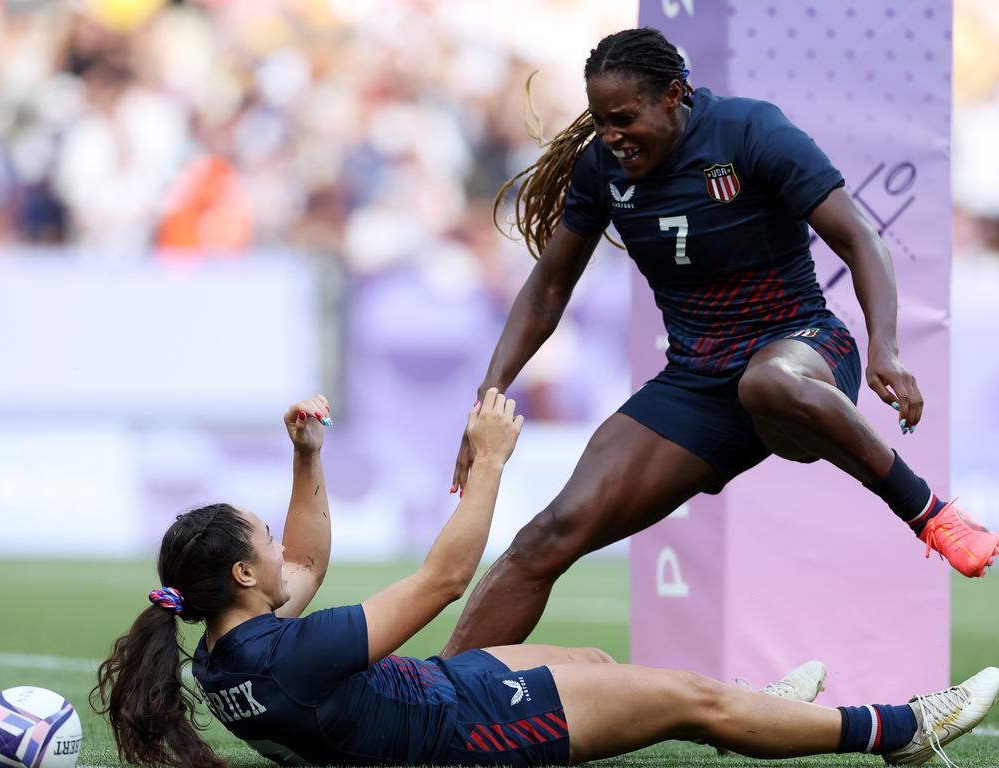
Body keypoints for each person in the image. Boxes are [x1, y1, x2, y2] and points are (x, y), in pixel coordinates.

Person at [441, 27, 999, 658]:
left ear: (674, 95)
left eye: (624, 119)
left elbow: (859, 239)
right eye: (600, 121)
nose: (611, 137)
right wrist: (490, 392)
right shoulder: (603, 167)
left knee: (766, 382)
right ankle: (432, 704)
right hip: (696, 382)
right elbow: (546, 291)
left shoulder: (750, 131)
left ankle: (930, 512)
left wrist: (885, 347)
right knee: (549, 534)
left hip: (802, 349)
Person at [92, 390, 997, 768]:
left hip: (437, 695)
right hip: (467, 732)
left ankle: (771, 709)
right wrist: (489, 461)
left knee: (603, 662)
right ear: (247, 573)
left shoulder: (225, 650)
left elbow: (311, 559)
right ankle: (901, 730)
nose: (284, 554)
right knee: (688, 701)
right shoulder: (295, 653)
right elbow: (448, 577)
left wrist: (305, 459)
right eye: (264, 540)